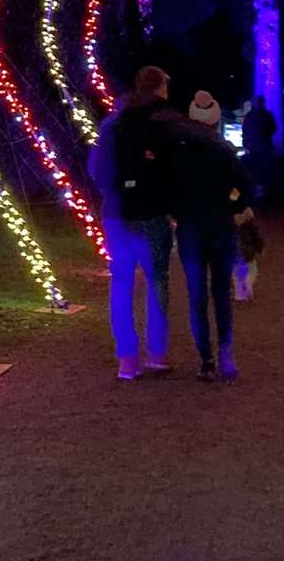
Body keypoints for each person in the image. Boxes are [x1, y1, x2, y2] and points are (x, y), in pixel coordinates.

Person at [88, 65, 182, 380]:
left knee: (122, 283)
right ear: (159, 88)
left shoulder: (112, 123)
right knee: (157, 283)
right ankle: (157, 353)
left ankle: (126, 359)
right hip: (152, 213)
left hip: (116, 213)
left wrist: (115, 191)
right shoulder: (164, 122)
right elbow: (174, 171)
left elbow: (96, 168)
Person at [166, 91, 254, 381]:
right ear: (217, 120)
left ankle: (205, 359)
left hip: (191, 227)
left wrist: (178, 211)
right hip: (220, 225)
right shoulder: (225, 149)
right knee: (221, 293)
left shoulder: (180, 150)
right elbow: (244, 187)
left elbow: (171, 190)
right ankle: (226, 351)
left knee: (197, 295)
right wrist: (232, 205)